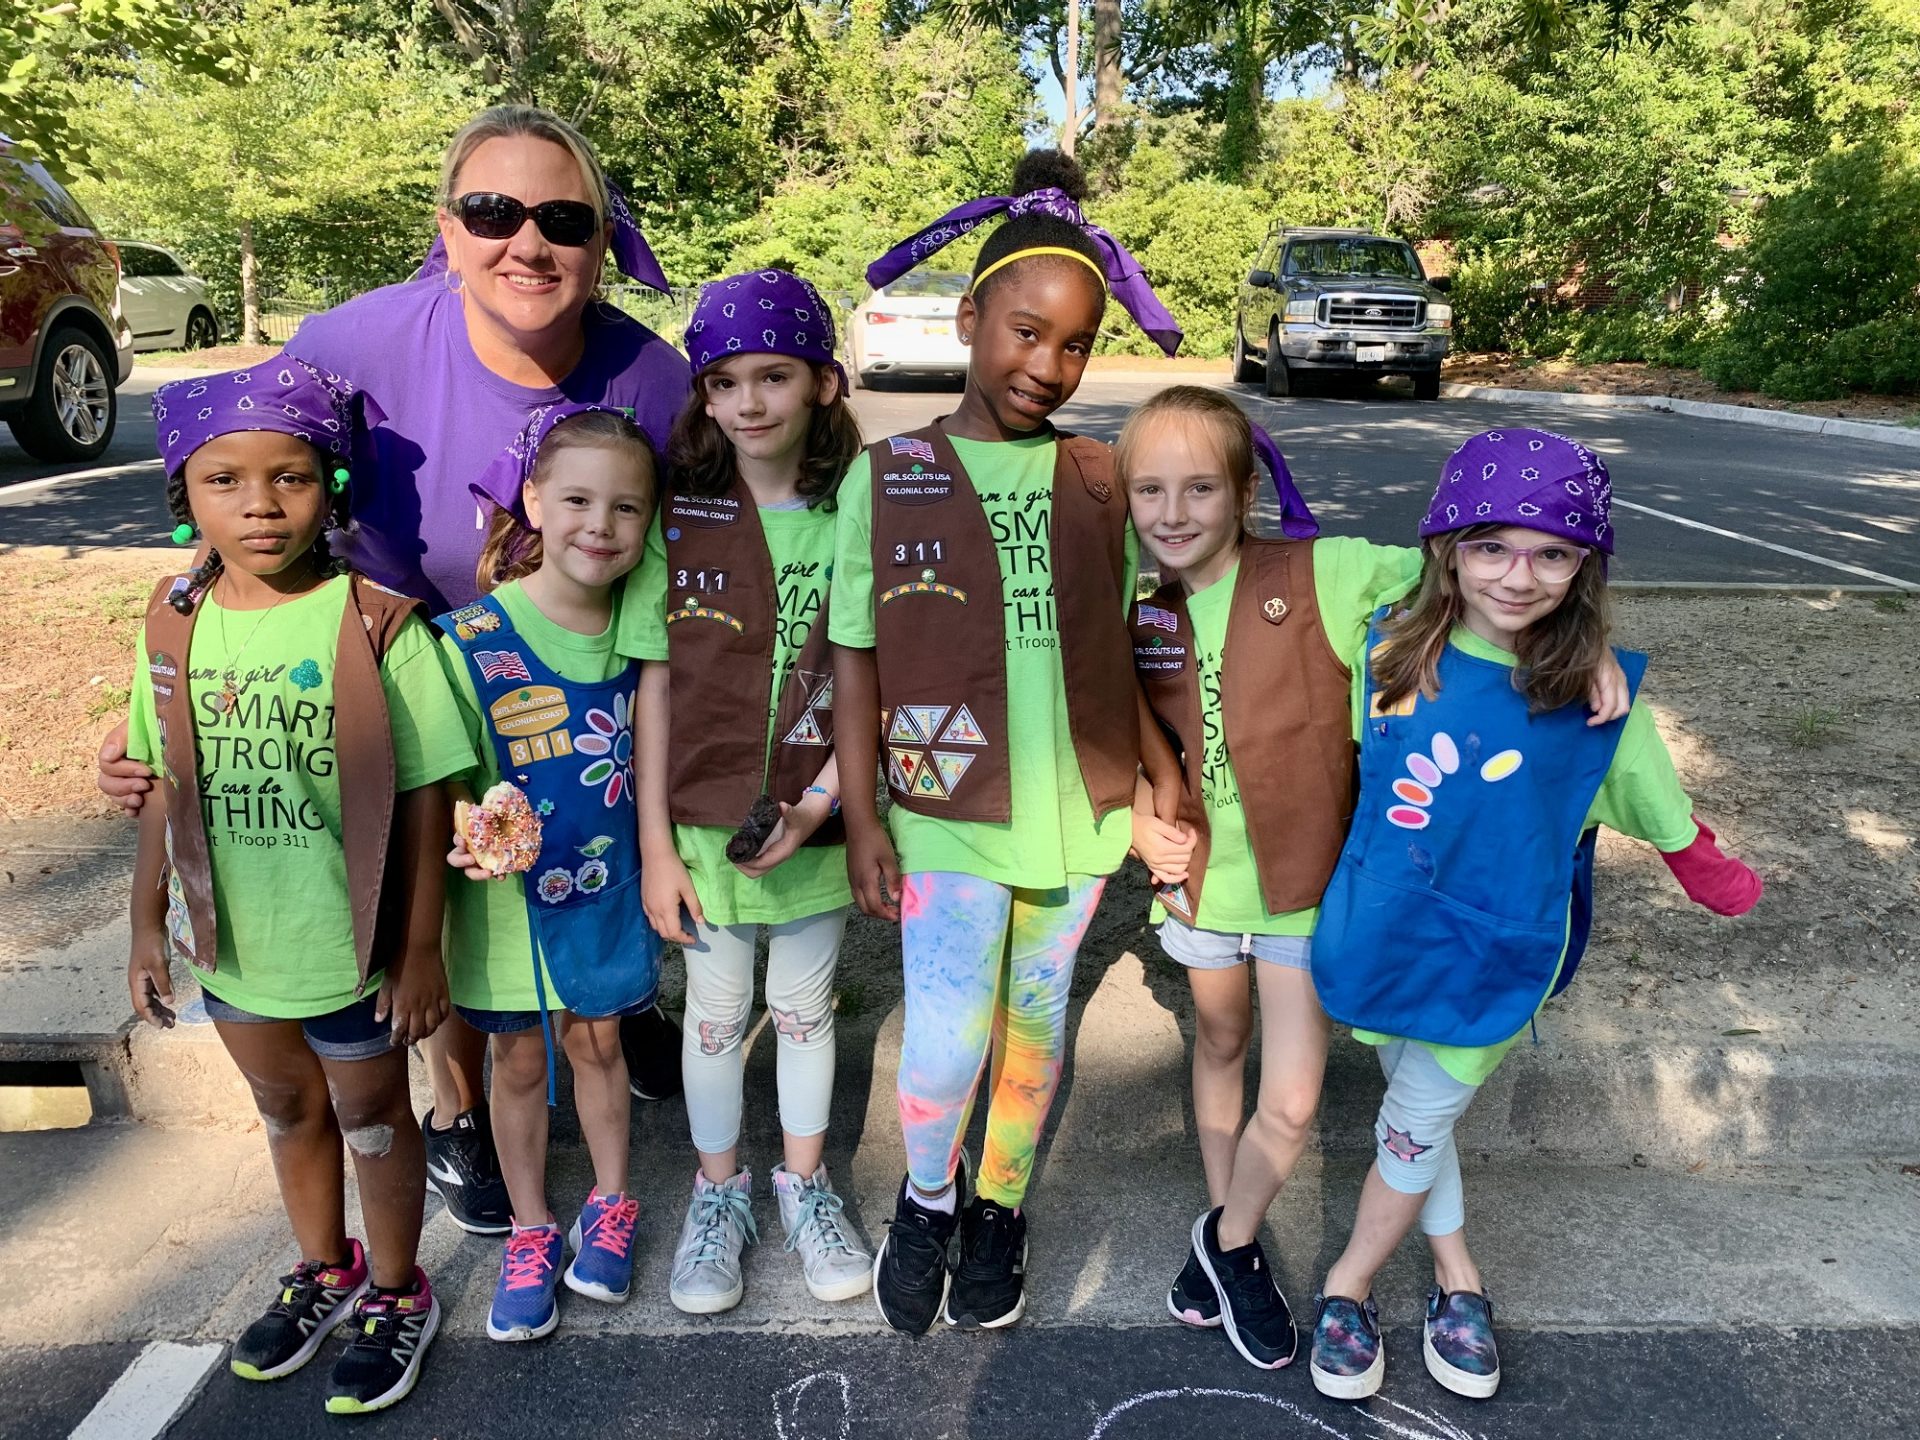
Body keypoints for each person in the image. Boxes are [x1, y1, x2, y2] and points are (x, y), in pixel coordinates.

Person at [99, 104, 693, 1233]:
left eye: (564, 218)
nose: (529, 242)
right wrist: (177, 646)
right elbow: (242, 461)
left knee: (584, 858)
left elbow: (713, 551)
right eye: (493, 211)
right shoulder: (359, 340)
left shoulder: (649, 381)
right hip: (415, 675)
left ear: (601, 241)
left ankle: (610, 1001)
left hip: (577, 682)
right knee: (443, 906)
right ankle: (458, 1113)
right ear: (450, 228)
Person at [1304, 428, 1763, 1402]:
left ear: (1586, 566)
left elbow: (1654, 802)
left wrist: (1699, 863)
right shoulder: (1385, 644)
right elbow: (1314, 556)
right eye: (1491, 546)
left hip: (1494, 954)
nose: (1520, 575)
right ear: (1449, 550)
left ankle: (1348, 1285)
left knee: (1415, 1124)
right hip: (1383, 935)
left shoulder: (1595, 702)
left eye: (1553, 552)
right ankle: (1457, 1275)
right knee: (1414, 1121)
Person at [833, 149, 1183, 1335]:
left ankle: (1000, 1204)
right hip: (944, 812)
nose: (1048, 365)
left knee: (1036, 1028)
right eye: (1025, 332)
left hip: (1077, 815)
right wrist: (866, 816)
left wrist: (1159, 785)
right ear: (970, 315)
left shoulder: (1099, 478)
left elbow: (1128, 647)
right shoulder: (890, 476)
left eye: (1076, 345)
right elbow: (854, 654)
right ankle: (926, 1199)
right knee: (944, 1044)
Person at [126, 363, 474, 1414]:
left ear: (333, 488)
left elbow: (427, 795)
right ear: (184, 491)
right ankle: (323, 1266)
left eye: (291, 478)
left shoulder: (373, 623)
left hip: (352, 939)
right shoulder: (173, 620)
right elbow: (159, 776)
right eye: (224, 480)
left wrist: (419, 951)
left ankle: (396, 1287)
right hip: (236, 940)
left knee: (371, 1113)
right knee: (284, 1107)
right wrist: (145, 922)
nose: (260, 505)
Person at [627, 269, 870, 1314]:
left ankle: (805, 1185)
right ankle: (717, 1195)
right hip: (698, 824)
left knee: (804, 1009)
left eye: (775, 376)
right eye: (726, 382)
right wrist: (654, 849)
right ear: (705, 399)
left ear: (822, 382)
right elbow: (654, 688)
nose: (752, 402)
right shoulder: (677, 523)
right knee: (717, 1015)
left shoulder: (857, 510)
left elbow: (883, 673)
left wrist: (824, 805)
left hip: (812, 816)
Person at [438, 404, 663, 1343]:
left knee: (600, 1044)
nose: (599, 527)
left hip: (606, 889)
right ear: (532, 499)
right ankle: (530, 1228)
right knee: (519, 1058)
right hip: (502, 907)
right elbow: (435, 776)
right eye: (576, 499)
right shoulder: (467, 639)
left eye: (626, 509)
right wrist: (464, 832)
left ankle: (612, 1203)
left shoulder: (645, 633)